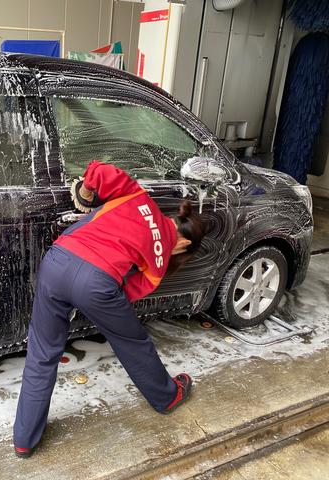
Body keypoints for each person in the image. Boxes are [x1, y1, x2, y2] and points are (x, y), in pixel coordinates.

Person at [13, 160, 207, 459]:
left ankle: (25, 439)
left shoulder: (139, 197)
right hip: (97, 282)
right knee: (134, 344)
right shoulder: (158, 262)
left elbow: (101, 171)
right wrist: (92, 298)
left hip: (57, 260)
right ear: (183, 241)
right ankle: (167, 397)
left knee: (42, 352)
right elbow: (128, 293)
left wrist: (87, 193)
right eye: (185, 250)